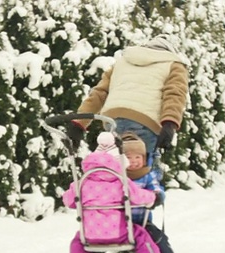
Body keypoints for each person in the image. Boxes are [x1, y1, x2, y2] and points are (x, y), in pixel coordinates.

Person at [67, 34, 189, 167]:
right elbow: (175, 94)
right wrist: (170, 123)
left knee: (117, 172)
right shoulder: (174, 64)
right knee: (144, 173)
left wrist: (79, 123)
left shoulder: (122, 62)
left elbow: (99, 93)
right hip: (145, 122)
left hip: (113, 121)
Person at [62, 132, 167, 253]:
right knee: (141, 234)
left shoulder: (81, 183)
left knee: (78, 239)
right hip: (119, 233)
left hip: (90, 234)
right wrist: (153, 197)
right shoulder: (121, 181)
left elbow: (69, 201)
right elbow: (138, 197)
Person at [121, 132, 184, 253]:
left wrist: (157, 196)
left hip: (142, 221)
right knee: (95, 237)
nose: (134, 161)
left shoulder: (148, 175)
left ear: (144, 158)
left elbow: (157, 188)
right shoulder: (117, 176)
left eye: (138, 157)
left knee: (158, 238)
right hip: (118, 222)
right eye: (129, 157)